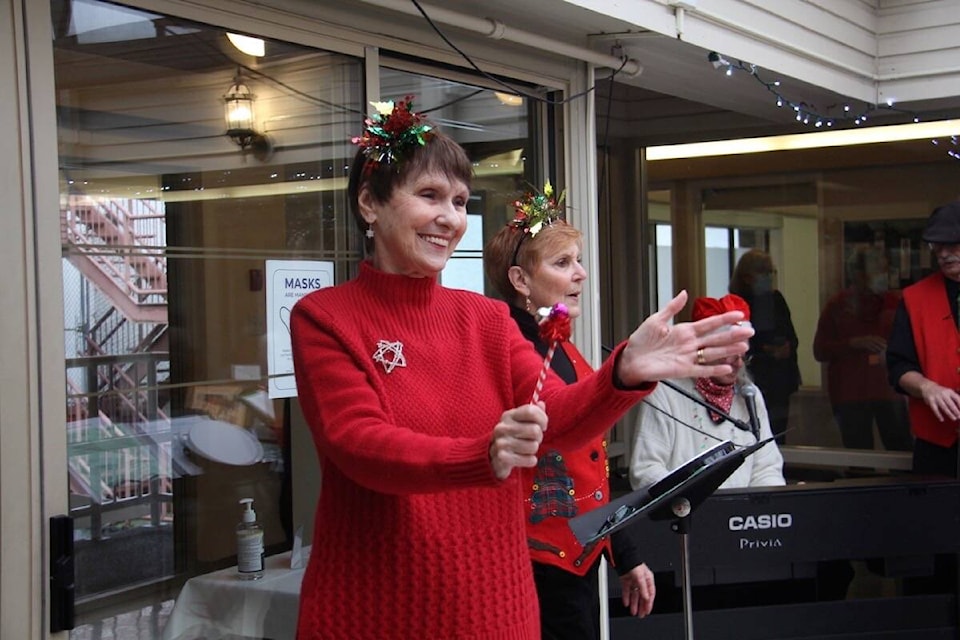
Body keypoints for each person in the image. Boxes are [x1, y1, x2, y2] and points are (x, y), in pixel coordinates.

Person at [289, 97, 752, 640]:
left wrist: (622, 372)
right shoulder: (325, 317)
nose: (449, 217)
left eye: (460, 201)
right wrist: (480, 454)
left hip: (495, 609)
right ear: (370, 203)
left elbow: (554, 419)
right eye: (430, 196)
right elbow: (359, 445)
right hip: (375, 611)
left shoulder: (486, 320)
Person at [483, 184, 654, 640]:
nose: (581, 274)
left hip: (575, 559)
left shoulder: (564, 349)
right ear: (520, 280)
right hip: (532, 567)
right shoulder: (508, 352)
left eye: (578, 260)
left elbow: (589, 467)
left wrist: (627, 552)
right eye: (563, 263)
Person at [629, 294, 786, 492]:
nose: (738, 363)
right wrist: (693, 501)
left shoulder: (749, 395)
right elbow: (646, 470)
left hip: (740, 518)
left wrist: (757, 508)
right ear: (704, 348)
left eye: (742, 355)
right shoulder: (665, 391)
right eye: (729, 354)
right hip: (686, 515)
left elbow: (766, 468)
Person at [886, 201, 960, 477]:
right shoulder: (915, 298)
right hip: (937, 445)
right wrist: (927, 388)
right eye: (937, 246)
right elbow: (897, 367)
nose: (944, 253)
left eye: (952, 244)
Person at [813, 246, 912, 452]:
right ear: (859, 274)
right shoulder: (838, 306)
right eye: (878, 270)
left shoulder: (895, 304)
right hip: (850, 395)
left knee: (900, 450)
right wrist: (852, 343)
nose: (884, 276)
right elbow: (820, 351)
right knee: (858, 456)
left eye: (886, 270)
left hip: (889, 391)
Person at [729, 249, 801, 442]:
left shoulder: (776, 300)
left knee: (778, 432)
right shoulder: (737, 303)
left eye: (771, 272)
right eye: (763, 273)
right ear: (747, 277)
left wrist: (786, 348)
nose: (768, 278)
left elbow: (792, 337)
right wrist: (764, 351)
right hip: (752, 377)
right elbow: (736, 343)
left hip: (780, 378)